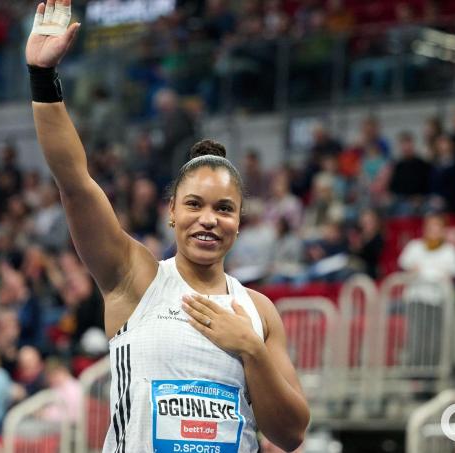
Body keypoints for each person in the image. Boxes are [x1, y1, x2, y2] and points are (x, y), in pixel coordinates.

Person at [24, 3, 310, 452]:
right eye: (194, 204)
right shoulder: (135, 278)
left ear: (239, 221)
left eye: (224, 208)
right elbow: (75, 183)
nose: (209, 219)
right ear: (172, 211)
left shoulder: (258, 311)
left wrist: (251, 349)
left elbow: (291, 434)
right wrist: (43, 78)